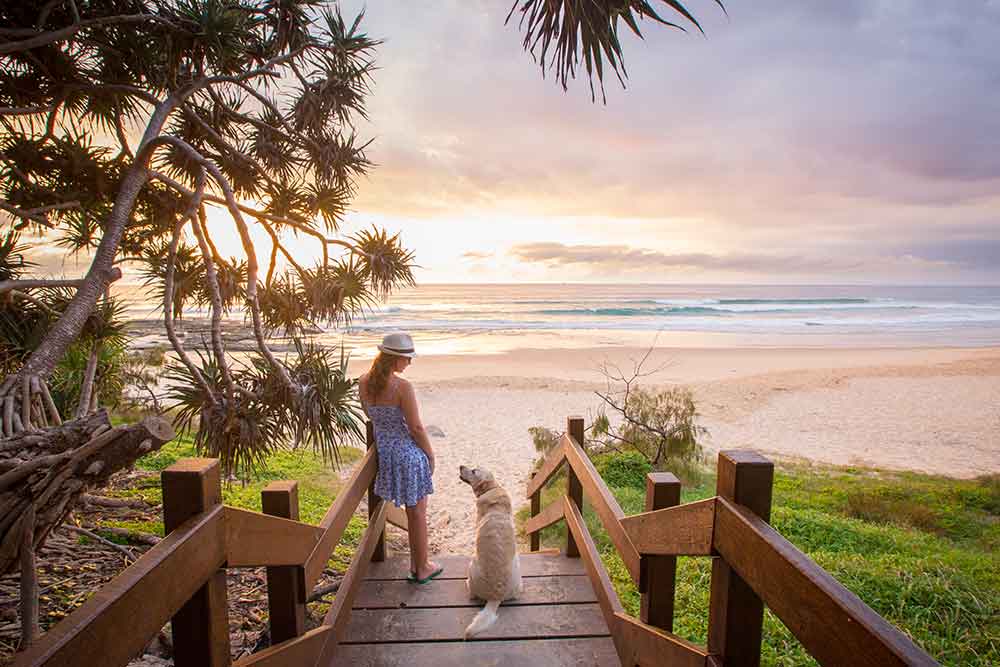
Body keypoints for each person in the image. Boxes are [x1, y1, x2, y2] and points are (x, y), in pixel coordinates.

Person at [358, 332, 442, 584]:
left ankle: (418, 565)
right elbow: (416, 428)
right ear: (395, 359)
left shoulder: (364, 382)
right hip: (407, 455)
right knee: (417, 514)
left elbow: (372, 417)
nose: (410, 362)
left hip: (387, 453)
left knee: (413, 513)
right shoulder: (403, 387)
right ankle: (422, 568)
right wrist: (430, 454)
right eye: (407, 358)